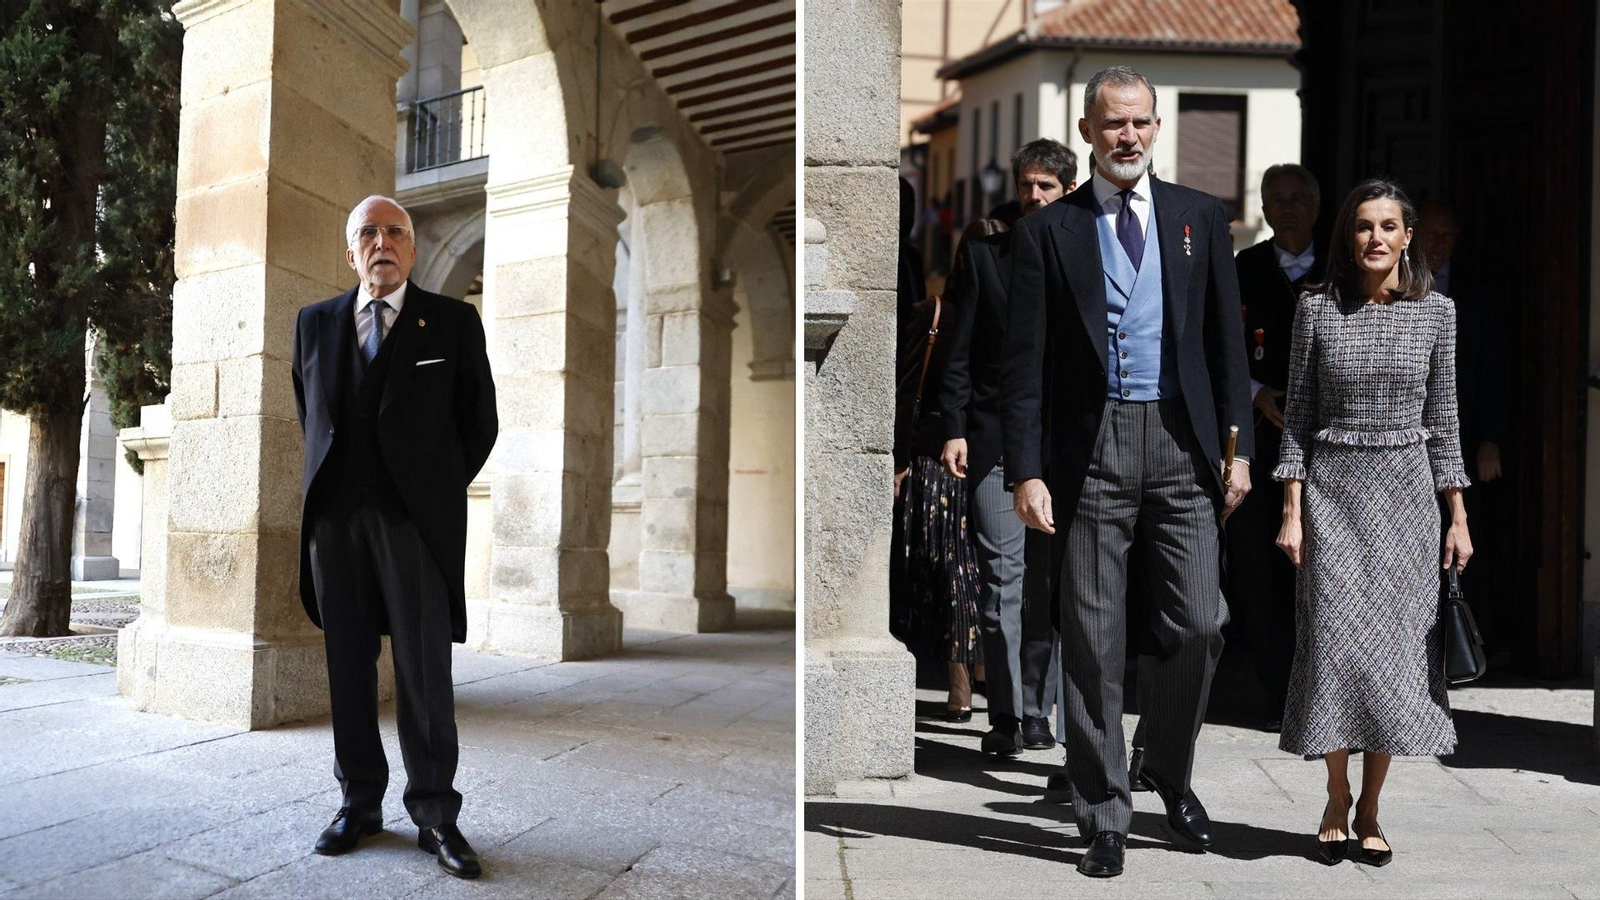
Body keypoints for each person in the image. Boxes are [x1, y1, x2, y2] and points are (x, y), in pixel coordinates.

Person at [1000, 66, 1252, 878]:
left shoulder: (1199, 218)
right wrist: (1027, 470)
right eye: (1113, 125)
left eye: (1141, 123)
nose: (1129, 137)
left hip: (1183, 443)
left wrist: (1237, 448)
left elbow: (1223, 346)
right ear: (1087, 132)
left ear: (1156, 128)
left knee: (1201, 621)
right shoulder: (1046, 233)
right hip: (1090, 448)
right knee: (1093, 638)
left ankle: (1165, 770)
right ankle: (1104, 810)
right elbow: (1025, 364)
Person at [291, 195, 498, 879]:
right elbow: (312, 413)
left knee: (422, 672)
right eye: (368, 233)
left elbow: (480, 422)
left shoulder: (452, 322)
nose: (381, 242)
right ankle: (359, 804)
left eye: (395, 232)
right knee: (347, 669)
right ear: (349, 251)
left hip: (414, 527)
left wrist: (431, 491)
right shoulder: (313, 324)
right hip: (335, 527)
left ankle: (436, 815)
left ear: (411, 249)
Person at [1274, 179, 1471, 867]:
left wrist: (1458, 516)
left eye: (1389, 226)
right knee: (1334, 649)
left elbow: (1445, 423)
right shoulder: (1315, 310)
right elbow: (1297, 416)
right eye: (1363, 226)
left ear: (1409, 236)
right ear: (1348, 236)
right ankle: (1335, 792)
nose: (1376, 239)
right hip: (1333, 495)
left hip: (1408, 502)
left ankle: (1372, 806)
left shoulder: (1438, 315)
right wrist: (1292, 509)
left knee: (1391, 661)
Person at [937, 139, 1077, 756]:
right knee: (1001, 584)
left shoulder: (1088, 257)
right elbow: (957, 351)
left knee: (1055, 587)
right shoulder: (986, 257)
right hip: (994, 443)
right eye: (1027, 185)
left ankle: (1039, 709)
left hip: (1065, 446)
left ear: (1068, 191)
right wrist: (954, 426)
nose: (1034, 196)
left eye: (1047, 186)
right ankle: (1006, 716)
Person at [1230, 163, 1326, 732]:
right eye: (1276, 199)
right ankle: (1274, 692)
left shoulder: (1342, 272)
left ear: (1316, 207)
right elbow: (1220, 350)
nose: (1286, 207)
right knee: (1261, 571)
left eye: (1297, 197)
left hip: (1329, 449)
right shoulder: (1243, 268)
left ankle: (1321, 690)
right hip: (1262, 444)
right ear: (1264, 209)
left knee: (1323, 568)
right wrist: (1259, 394)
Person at [893, 221, 989, 721]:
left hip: (993, 464)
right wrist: (899, 461)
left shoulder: (1016, 315)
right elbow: (903, 389)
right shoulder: (936, 315)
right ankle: (960, 684)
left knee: (983, 574)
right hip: (938, 466)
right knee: (955, 572)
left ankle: (982, 673)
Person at [1418, 199, 1509, 663]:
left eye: (1448, 235)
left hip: (1464, 434)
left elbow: (1493, 370)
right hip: (1408, 436)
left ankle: (1466, 647)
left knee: (1464, 541)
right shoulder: (1395, 285)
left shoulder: (1475, 292)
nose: (1440, 244)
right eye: (1432, 234)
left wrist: (1490, 439)